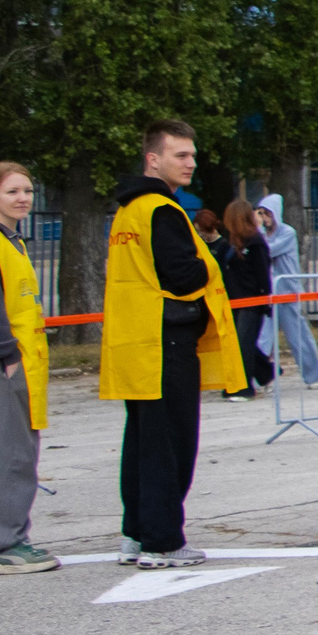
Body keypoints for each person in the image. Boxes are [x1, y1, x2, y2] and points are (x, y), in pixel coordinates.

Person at [101, 122, 241, 568]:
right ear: (153, 159)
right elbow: (181, 274)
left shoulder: (127, 212)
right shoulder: (161, 210)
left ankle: (137, 533)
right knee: (171, 442)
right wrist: (205, 261)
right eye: (180, 155)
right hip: (166, 340)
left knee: (142, 442)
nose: (191, 163)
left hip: (137, 339)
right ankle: (163, 541)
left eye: (192, 155)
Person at [0, 162, 55, 573]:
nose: (23, 197)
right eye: (12, 191)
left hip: (11, 361)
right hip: (2, 364)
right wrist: (5, 355)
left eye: (27, 190)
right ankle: (8, 542)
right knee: (10, 453)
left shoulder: (10, 241)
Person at [251, 195, 318, 387]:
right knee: (262, 336)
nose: (264, 218)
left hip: (287, 292)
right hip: (269, 293)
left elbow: (265, 251)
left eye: (267, 213)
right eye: (261, 213)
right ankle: (258, 378)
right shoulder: (263, 235)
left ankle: (314, 375)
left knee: (297, 336)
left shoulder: (287, 232)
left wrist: (257, 229)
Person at [219, 199, 275, 398]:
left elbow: (263, 273)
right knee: (241, 342)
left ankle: (243, 387)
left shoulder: (256, 242)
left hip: (252, 301)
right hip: (235, 300)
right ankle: (267, 373)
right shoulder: (232, 243)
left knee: (243, 343)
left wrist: (265, 301)